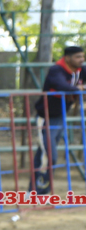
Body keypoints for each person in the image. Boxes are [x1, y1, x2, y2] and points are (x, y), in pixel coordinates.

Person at [31, 45, 86, 191]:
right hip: (45, 117)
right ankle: (38, 192)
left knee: (44, 155)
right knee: (49, 156)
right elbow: (61, 85)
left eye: (82, 56)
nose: (81, 59)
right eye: (78, 57)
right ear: (67, 58)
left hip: (60, 116)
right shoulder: (57, 70)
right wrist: (79, 89)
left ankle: (36, 192)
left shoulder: (80, 70)